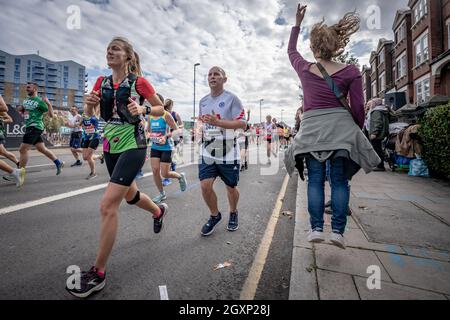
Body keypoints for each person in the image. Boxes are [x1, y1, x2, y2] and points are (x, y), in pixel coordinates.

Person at [66, 37, 167, 298]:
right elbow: (90, 114)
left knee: (107, 205)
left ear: (128, 56)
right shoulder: (101, 82)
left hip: (134, 143)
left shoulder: (139, 82)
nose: (110, 52)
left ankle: (98, 273)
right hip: (111, 144)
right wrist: (89, 103)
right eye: (108, 48)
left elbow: (160, 109)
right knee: (131, 196)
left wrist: (143, 109)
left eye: (116, 49)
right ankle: (157, 212)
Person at [288, 4, 380, 249]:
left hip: (312, 132)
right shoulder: (351, 71)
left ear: (314, 46)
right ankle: (338, 232)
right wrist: (354, 130)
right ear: (337, 45)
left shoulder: (305, 69)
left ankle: (316, 228)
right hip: (341, 131)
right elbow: (359, 109)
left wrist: (297, 23)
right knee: (340, 182)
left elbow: (290, 50)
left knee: (315, 180)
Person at [198, 66, 247, 236]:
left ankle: (233, 212)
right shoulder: (203, 101)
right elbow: (203, 122)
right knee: (205, 185)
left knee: (231, 187)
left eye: (216, 74)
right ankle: (214, 215)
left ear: (224, 79)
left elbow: (242, 124)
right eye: (210, 74)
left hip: (228, 150)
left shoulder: (232, 99)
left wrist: (219, 123)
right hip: (207, 149)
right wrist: (201, 128)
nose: (212, 77)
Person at [17, 82, 64, 178]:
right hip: (29, 126)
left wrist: (48, 103)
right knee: (41, 148)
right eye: (26, 87)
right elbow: (24, 110)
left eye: (29, 87)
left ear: (35, 89)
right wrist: (21, 109)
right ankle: (58, 162)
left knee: (23, 149)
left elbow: (51, 115)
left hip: (35, 126)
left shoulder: (40, 101)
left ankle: (20, 174)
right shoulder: (26, 100)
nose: (27, 89)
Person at [149, 101, 187, 203]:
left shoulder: (166, 115)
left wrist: (165, 136)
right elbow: (148, 130)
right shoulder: (150, 116)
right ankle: (162, 194)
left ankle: (180, 177)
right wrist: (149, 135)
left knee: (165, 174)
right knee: (155, 170)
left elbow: (176, 130)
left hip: (167, 147)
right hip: (155, 147)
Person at [80, 104, 104, 179]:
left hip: (95, 137)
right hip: (86, 138)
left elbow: (98, 105)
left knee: (88, 157)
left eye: (88, 108)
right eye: (85, 108)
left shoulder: (95, 115)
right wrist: (72, 125)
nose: (86, 109)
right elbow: (80, 125)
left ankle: (93, 173)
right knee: (84, 158)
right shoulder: (83, 116)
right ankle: (100, 156)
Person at [368, 98, 389, 172]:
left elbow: (377, 123)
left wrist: (374, 133)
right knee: (378, 149)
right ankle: (379, 164)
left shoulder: (376, 111)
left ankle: (380, 166)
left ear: (376, 103)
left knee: (377, 150)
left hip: (377, 135)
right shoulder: (381, 110)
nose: (370, 104)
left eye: (372, 103)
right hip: (380, 134)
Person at [0, 102, 20, 167]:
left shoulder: (1, 109)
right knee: (3, 152)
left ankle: (19, 165)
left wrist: (2, 120)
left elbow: (10, 120)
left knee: (3, 152)